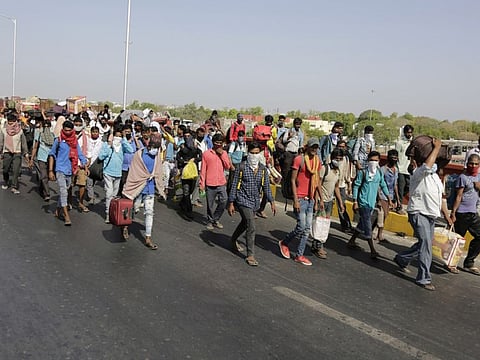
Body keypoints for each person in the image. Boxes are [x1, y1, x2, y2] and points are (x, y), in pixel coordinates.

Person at [394, 139, 451, 291]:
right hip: (418, 212)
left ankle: (402, 258)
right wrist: (437, 147)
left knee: (424, 244)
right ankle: (424, 278)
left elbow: (441, 199)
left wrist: (446, 215)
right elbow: (427, 165)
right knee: (426, 245)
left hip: (431, 215)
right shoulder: (418, 173)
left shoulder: (436, 179)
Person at [228, 141, 276, 266]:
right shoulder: (242, 167)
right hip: (242, 200)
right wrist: (231, 202)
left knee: (245, 223)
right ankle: (250, 255)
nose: (254, 155)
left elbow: (266, 186)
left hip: (255, 201)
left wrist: (272, 201)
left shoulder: (262, 169)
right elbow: (234, 185)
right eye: (252, 153)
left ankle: (233, 239)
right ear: (248, 153)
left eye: (256, 153)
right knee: (251, 226)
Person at [278, 137, 322, 266]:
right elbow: (293, 180)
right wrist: (296, 200)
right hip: (301, 198)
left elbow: (317, 181)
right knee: (301, 226)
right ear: (307, 147)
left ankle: (299, 255)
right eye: (312, 146)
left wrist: (319, 199)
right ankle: (285, 242)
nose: (314, 149)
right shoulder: (299, 160)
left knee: (307, 229)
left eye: (316, 147)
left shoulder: (317, 162)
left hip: (311, 199)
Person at [347, 151, 394, 259]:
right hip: (363, 202)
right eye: (371, 160)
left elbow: (383, 185)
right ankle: (372, 249)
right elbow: (356, 186)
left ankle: (352, 240)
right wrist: (355, 201)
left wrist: (389, 199)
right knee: (368, 225)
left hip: (372, 203)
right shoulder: (362, 172)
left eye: (376, 160)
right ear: (368, 161)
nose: (373, 162)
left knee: (362, 223)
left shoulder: (379, 173)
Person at [122, 133, 165, 249]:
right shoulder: (139, 155)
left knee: (149, 212)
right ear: (149, 145)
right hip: (137, 187)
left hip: (149, 188)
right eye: (154, 146)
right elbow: (134, 172)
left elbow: (158, 171)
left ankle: (148, 237)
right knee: (133, 208)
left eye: (157, 147)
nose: (155, 149)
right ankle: (125, 226)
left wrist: (160, 186)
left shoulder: (157, 157)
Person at [48, 120, 89, 226]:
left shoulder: (74, 141)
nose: (67, 132)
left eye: (69, 131)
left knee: (65, 191)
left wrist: (85, 165)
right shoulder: (58, 140)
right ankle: (66, 216)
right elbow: (52, 154)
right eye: (65, 130)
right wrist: (51, 170)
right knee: (64, 192)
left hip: (70, 170)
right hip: (60, 169)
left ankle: (57, 210)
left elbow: (80, 154)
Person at [450, 153, 480, 276]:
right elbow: (458, 196)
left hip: (473, 213)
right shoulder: (463, 177)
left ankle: (469, 262)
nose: (473, 166)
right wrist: (453, 213)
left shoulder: (478, 177)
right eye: (471, 163)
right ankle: (451, 263)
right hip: (462, 213)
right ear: (467, 164)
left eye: (476, 164)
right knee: (457, 240)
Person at [312, 148, 345, 259]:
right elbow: (318, 185)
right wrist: (319, 201)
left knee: (324, 225)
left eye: (340, 159)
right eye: (337, 159)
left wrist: (340, 202)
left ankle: (316, 245)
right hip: (322, 201)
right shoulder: (324, 169)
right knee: (319, 224)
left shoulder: (338, 171)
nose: (338, 161)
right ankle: (319, 247)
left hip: (330, 201)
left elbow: (336, 187)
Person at [98, 127, 133, 223]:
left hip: (118, 173)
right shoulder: (106, 145)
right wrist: (109, 145)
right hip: (107, 172)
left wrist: (125, 139)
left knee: (114, 196)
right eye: (116, 136)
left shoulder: (122, 146)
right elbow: (101, 156)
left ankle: (113, 213)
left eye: (120, 136)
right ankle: (108, 215)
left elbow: (130, 150)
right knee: (109, 194)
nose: (118, 138)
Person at [199, 133, 232, 230]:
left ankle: (215, 219)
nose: (218, 145)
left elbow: (227, 166)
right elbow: (203, 170)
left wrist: (222, 154)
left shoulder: (224, 153)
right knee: (210, 204)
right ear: (213, 143)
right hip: (210, 183)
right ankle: (210, 220)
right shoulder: (206, 154)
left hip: (221, 182)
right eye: (217, 143)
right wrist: (202, 184)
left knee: (224, 201)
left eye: (220, 143)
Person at [375, 149, 401, 243]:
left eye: (395, 157)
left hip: (390, 195)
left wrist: (397, 199)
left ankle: (377, 234)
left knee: (383, 216)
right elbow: (379, 184)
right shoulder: (383, 169)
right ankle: (379, 235)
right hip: (382, 195)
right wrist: (378, 198)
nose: (394, 159)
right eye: (392, 157)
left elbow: (395, 185)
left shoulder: (396, 170)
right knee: (383, 215)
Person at [0, 113, 29, 194]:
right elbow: (1, 142)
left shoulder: (20, 131)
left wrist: (26, 153)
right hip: (7, 152)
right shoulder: (3, 130)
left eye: (12, 123)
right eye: (9, 123)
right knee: (5, 169)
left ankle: (14, 186)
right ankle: (6, 181)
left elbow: (23, 143)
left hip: (17, 152)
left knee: (16, 170)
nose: (11, 125)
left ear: (16, 122)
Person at [176, 129, 202, 220]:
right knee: (186, 191)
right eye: (185, 136)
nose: (187, 138)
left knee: (191, 190)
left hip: (194, 171)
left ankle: (183, 203)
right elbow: (178, 157)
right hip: (185, 171)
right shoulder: (182, 147)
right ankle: (189, 211)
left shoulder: (195, 147)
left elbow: (201, 156)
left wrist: (195, 160)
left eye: (188, 136)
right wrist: (184, 162)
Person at [30, 118, 55, 201]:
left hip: (51, 158)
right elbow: (35, 147)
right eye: (45, 126)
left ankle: (42, 188)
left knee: (47, 176)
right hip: (41, 157)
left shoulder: (53, 135)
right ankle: (47, 193)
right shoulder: (39, 134)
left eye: (48, 126)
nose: (46, 128)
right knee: (43, 175)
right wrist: (32, 159)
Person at [70, 116, 90, 212]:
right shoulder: (69, 135)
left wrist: (87, 162)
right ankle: (69, 201)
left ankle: (81, 203)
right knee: (70, 184)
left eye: (79, 125)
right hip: (70, 164)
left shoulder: (85, 136)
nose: (77, 127)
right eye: (76, 125)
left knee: (82, 184)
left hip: (81, 164)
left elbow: (87, 150)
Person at [335, 140, 354, 232]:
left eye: (343, 147)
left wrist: (349, 184)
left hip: (341, 185)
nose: (341, 148)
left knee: (341, 205)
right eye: (340, 146)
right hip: (332, 184)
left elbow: (347, 172)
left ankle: (346, 225)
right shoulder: (332, 157)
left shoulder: (346, 159)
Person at [395, 125, 414, 210]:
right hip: (401, 168)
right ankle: (399, 205)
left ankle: (396, 200)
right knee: (401, 188)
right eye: (408, 132)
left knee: (409, 186)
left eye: (410, 132)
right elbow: (396, 155)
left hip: (409, 169)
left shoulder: (413, 143)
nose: (409, 134)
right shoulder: (400, 143)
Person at [86, 126, 104, 203]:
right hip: (88, 164)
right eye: (93, 132)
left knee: (93, 181)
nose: (94, 133)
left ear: (98, 133)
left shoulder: (101, 143)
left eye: (96, 132)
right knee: (89, 182)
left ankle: (91, 194)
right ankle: (91, 197)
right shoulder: (87, 141)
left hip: (97, 165)